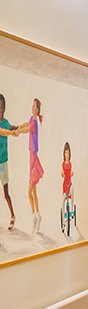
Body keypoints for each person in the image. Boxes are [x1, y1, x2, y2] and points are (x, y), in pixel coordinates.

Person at [16, 98, 45, 234]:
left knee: (29, 191)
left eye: (34, 106)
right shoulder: (32, 119)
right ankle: (37, 216)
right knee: (33, 191)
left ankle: (35, 217)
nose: (33, 108)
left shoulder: (35, 123)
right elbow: (25, 124)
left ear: (37, 109)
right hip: (31, 157)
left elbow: (27, 128)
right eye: (32, 106)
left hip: (34, 159)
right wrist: (18, 127)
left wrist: (18, 131)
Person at [0, 94, 19, 230]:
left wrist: (19, 128)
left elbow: (11, 127)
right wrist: (11, 132)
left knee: (6, 193)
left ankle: (13, 215)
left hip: (3, 163)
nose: (0, 109)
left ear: (4, 108)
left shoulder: (6, 122)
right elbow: (3, 132)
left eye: (1, 107)